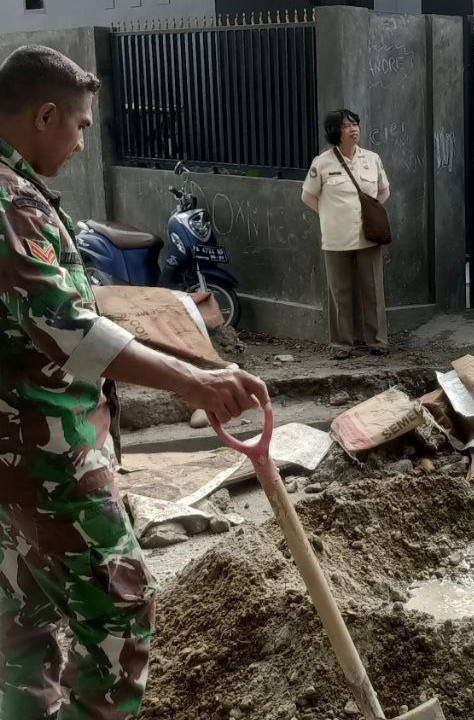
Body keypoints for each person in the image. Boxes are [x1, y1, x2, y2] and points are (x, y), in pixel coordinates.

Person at [0, 45, 269, 719]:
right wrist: (193, 385)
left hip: (13, 463)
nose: (83, 139)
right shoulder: (12, 207)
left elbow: (77, 310)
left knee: (22, 626)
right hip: (43, 454)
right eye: (81, 125)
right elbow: (70, 332)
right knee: (121, 610)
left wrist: (200, 364)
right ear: (45, 114)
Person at [302, 108, 391, 360]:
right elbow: (308, 196)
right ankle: (342, 344)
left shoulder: (372, 159)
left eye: (355, 124)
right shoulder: (322, 163)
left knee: (373, 289)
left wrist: (370, 215)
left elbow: (383, 192)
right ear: (335, 132)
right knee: (339, 292)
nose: (354, 129)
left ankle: (377, 341)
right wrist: (331, 215)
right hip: (336, 237)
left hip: (368, 235)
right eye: (346, 125)